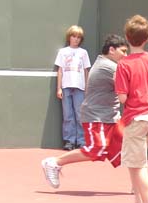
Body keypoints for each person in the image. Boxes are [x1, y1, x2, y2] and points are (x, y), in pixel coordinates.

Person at [41, 34, 128, 188]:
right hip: (96, 117)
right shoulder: (108, 67)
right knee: (96, 149)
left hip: (111, 117)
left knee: (128, 149)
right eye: (123, 51)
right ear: (112, 50)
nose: (125, 55)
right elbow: (128, 87)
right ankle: (54, 162)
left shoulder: (107, 63)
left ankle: (141, 183)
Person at [115, 15, 148, 203]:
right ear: (147, 38)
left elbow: (123, 98)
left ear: (127, 37)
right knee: (134, 165)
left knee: (139, 165)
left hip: (137, 118)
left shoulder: (123, 65)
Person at [54, 25, 91, 151]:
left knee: (80, 115)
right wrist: (59, 88)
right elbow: (60, 70)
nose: (76, 39)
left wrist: (86, 88)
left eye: (78, 37)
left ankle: (81, 141)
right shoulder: (62, 52)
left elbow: (86, 71)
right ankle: (69, 141)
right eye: (74, 36)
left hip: (80, 88)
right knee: (67, 115)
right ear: (69, 37)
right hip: (66, 87)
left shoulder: (83, 53)